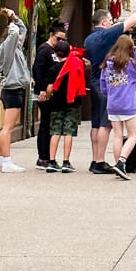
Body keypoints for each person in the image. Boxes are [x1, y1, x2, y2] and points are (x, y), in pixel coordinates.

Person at [84, 0, 136, 175]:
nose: (112, 22)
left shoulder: (89, 39)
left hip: (97, 82)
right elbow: (130, 22)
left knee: (97, 123)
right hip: (115, 95)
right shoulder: (106, 36)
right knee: (105, 125)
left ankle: (96, 159)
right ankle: (102, 161)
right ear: (103, 22)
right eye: (110, 20)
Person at [100, 35, 136, 180]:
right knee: (132, 134)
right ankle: (122, 162)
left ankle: (118, 164)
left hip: (112, 104)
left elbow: (103, 86)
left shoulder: (107, 64)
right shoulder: (129, 65)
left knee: (117, 135)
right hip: (127, 104)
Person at [0, 7, 31, 174]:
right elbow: (15, 34)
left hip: (13, 88)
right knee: (8, 128)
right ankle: (7, 161)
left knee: (6, 127)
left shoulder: (14, 49)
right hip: (12, 88)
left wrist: (15, 17)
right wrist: (10, 20)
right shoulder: (6, 49)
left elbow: (22, 30)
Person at [46, 40, 87, 173]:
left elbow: (49, 88)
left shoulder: (53, 69)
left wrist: (49, 96)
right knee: (68, 132)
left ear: (56, 54)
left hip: (56, 104)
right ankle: (66, 162)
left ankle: (51, 161)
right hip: (72, 103)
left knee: (55, 132)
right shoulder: (76, 65)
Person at [31, 20, 67, 169]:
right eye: (58, 38)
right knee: (45, 125)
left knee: (49, 124)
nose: (60, 42)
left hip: (52, 92)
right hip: (44, 92)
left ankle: (46, 156)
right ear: (51, 35)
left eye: (63, 40)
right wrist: (42, 90)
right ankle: (43, 157)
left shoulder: (54, 52)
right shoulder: (44, 50)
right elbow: (37, 71)